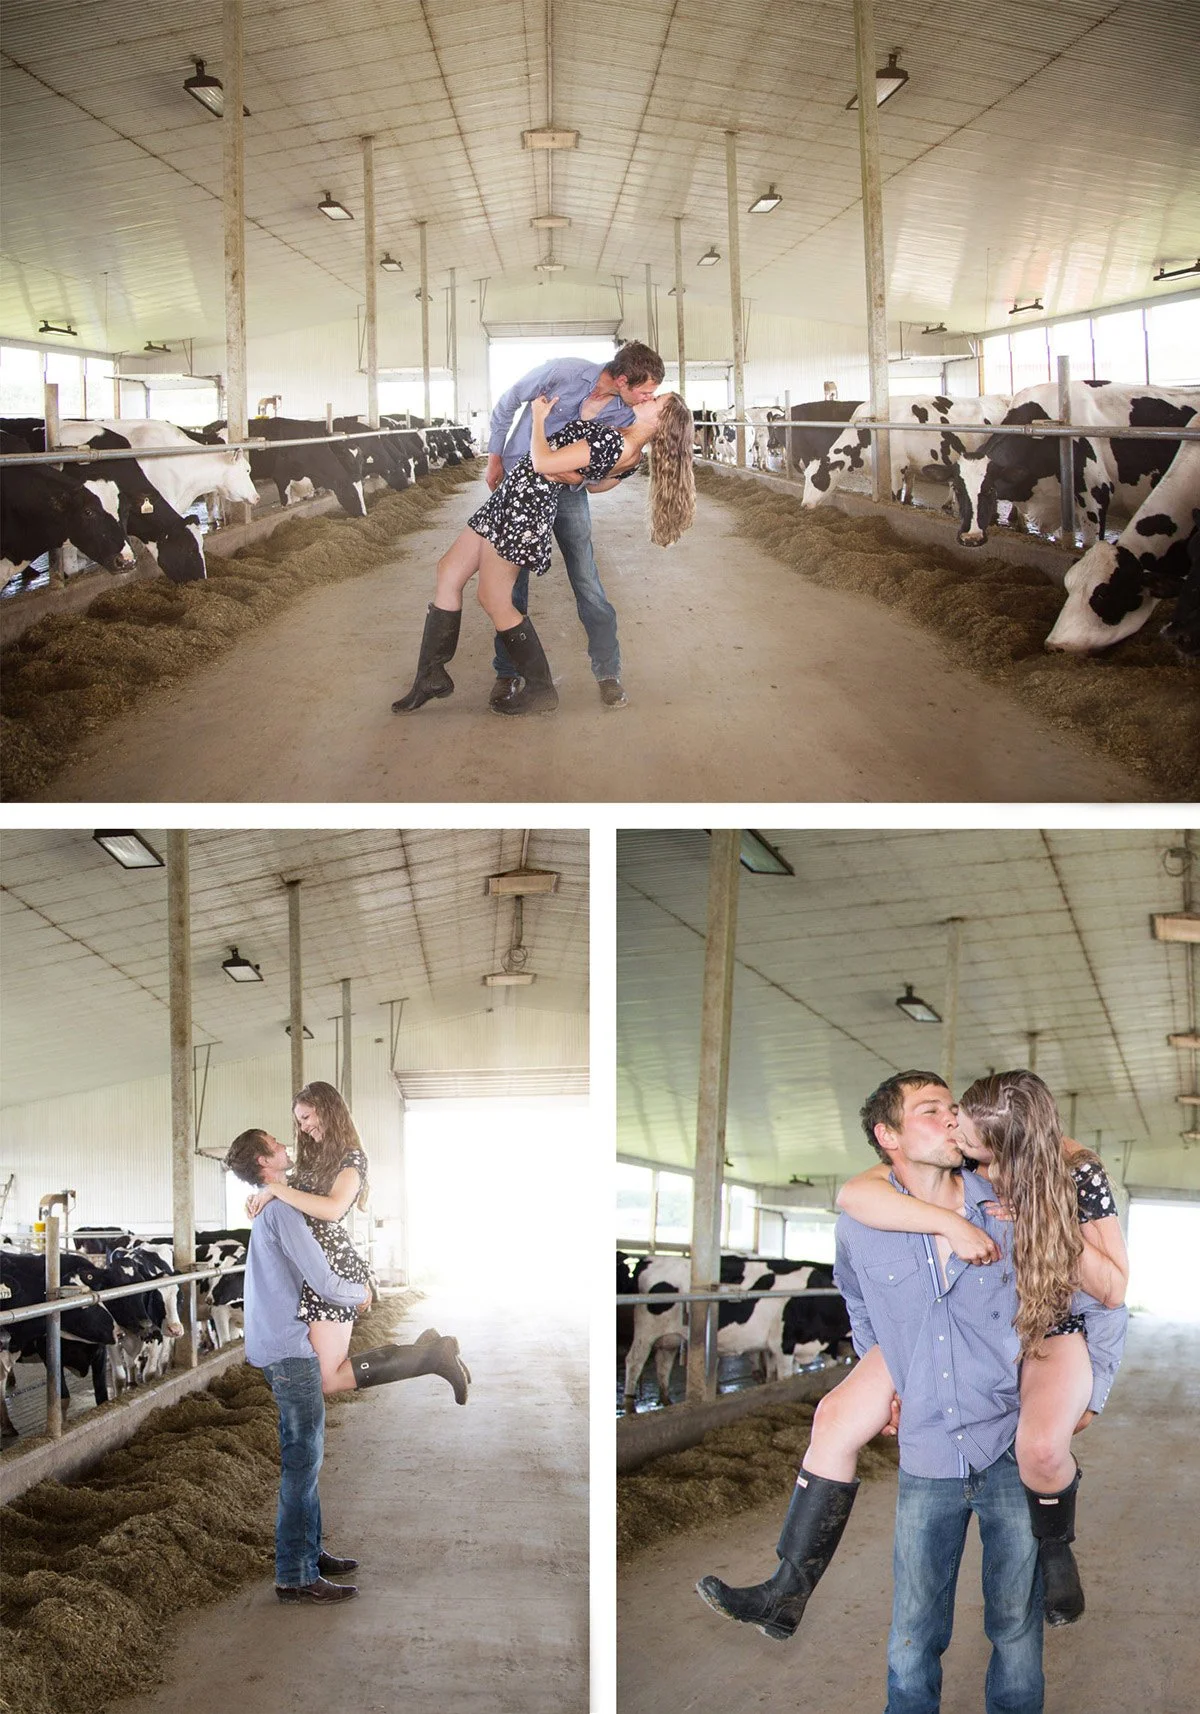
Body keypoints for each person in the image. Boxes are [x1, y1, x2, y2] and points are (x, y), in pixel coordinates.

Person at [696, 1070, 1118, 1714]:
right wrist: (884, 1375)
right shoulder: (864, 1218)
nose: (952, 1120)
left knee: (1014, 1627)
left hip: (1006, 1441)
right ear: (886, 1135)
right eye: (932, 1111)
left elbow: (1097, 1301)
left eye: (955, 1109)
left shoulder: (1006, 1197)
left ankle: (1056, 1556)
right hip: (928, 1451)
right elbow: (860, 1301)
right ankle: (787, 1589)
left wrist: (1091, 1385)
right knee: (914, 1632)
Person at [226, 1125, 470, 1605]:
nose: (285, 1145)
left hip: (278, 1343)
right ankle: (294, 1575)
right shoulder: (282, 1211)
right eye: (276, 1145)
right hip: (290, 1350)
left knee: (307, 1460)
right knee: (302, 1461)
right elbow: (319, 1275)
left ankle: (310, 1552)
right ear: (263, 1163)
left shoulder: (270, 1205)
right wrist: (359, 1294)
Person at [391, 386, 695, 717]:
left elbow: (542, 461)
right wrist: (574, 473)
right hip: (513, 494)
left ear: (662, 420)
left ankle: (540, 687)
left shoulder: (617, 442)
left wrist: (538, 419)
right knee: (448, 570)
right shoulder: (625, 445)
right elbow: (588, 476)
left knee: (494, 598)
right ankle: (430, 674)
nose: (648, 398)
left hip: (525, 507)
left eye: (657, 400)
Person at [482, 340, 666, 711]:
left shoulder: (627, 416)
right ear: (623, 379)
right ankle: (508, 672)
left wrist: (582, 479)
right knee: (510, 585)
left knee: (586, 580)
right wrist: (495, 455)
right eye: (645, 391)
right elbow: (508, 401)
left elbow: (606, 472)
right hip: (519, 485)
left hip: (568, 491)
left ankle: (608, 672)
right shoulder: (563, 371)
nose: (649, 399)